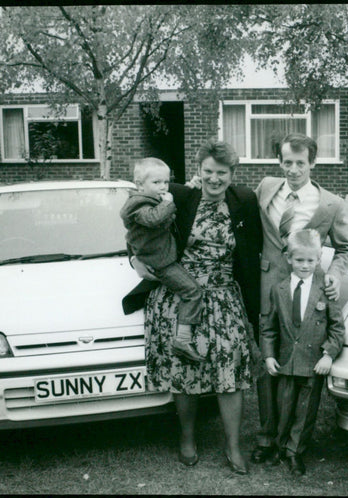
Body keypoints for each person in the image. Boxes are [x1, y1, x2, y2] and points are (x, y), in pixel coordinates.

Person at [122, 139, 263, 475]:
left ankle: (233, 445)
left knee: (230, 373)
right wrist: (134, 261)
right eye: (209, 172)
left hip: (225, 298)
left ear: (232, 174)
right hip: (179, 296)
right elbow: (136, 227)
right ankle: (187, 437)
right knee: (185, 371)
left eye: (222, 173)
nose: (215, 179)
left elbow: (254, 246)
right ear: (198, 171)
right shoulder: (180, 197)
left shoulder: (244, 200)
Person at [252, 132, 348, 464]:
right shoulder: (266, 188)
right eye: (287, 162)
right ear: (279, 162)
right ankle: (268, 438)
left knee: (305, 364)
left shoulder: (330, 203)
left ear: (312, 162)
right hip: (270, 287)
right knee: (269, 364)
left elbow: (345, 248)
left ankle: (295, 442)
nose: (293, 169)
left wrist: (335, 274)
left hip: (310, 293)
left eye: (300, 163)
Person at [260, 229, 345, 476]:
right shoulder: (279, 289)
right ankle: (279, 446)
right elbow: (269, 327)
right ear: (288, 259)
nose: (305, 265)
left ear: (319, 260)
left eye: (310, 260)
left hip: (312, 363)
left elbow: (337, 328)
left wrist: (328, 355)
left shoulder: (326, 290)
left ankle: (295, 451)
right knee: (283, 407)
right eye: (299, 260)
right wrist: (268, 355)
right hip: (286, 361)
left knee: (305, 411)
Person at [119, 158, 204, 361]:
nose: (163, 187)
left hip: (161, 255)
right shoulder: (137, 204)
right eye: (156, 183)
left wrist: (188, 188)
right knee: (192, 291)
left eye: (165, 182)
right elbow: (154, 219)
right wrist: (167, 202)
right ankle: (183, 339)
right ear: (139, 184)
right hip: (159, 262)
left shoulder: (154, 199)